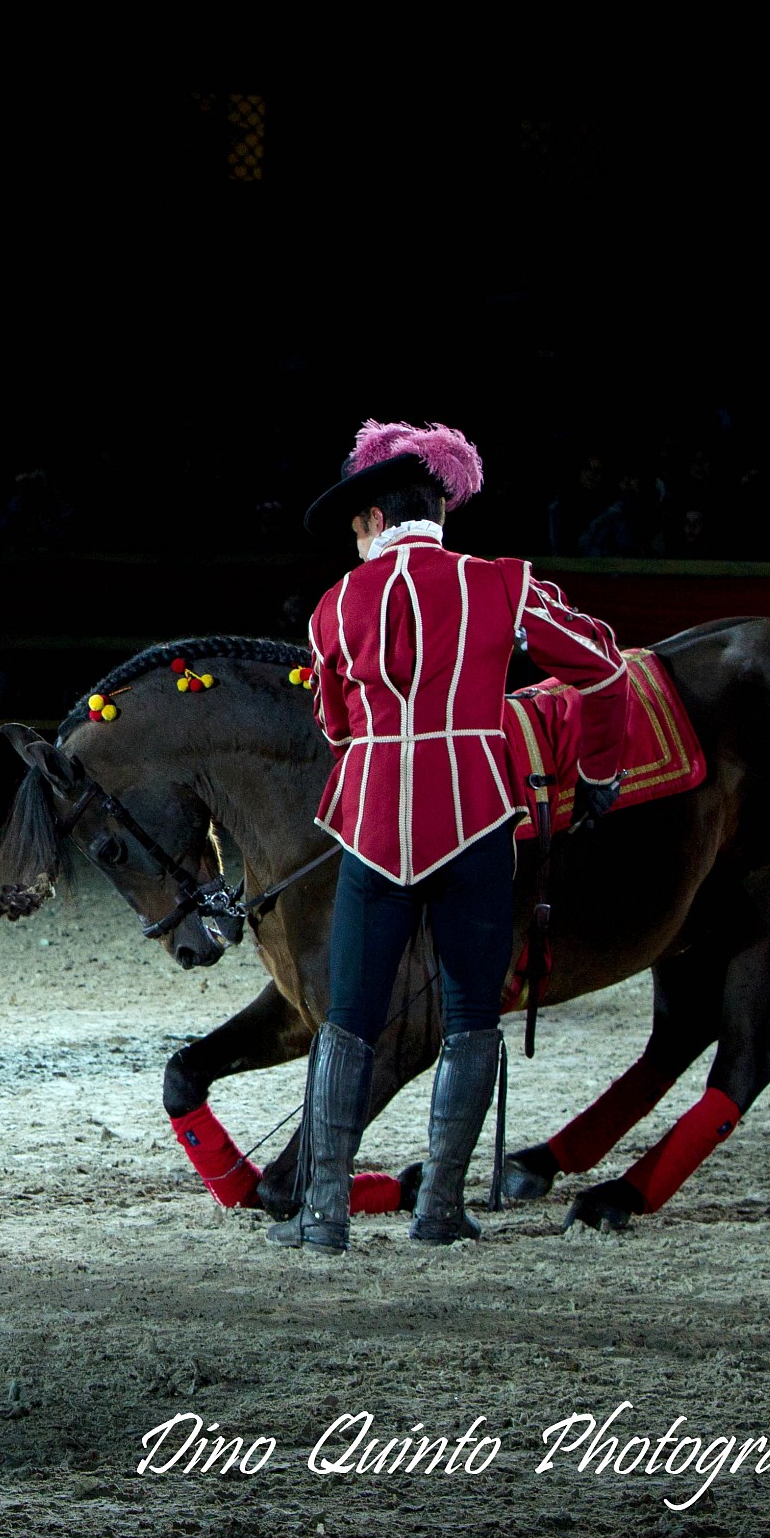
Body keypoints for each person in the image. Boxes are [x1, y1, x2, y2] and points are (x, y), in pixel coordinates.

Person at [277, 420, 628, 1252]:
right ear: (439, 511)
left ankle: (324, 1216)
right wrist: (601, 769)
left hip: (371, 824)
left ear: (372, 518)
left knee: (351, 1018)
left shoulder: (335, 606)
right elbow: (602, 667)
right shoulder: (501, 584)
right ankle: (439, 1210)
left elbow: (334, 722)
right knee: (473, 1015)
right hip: (475, 818)